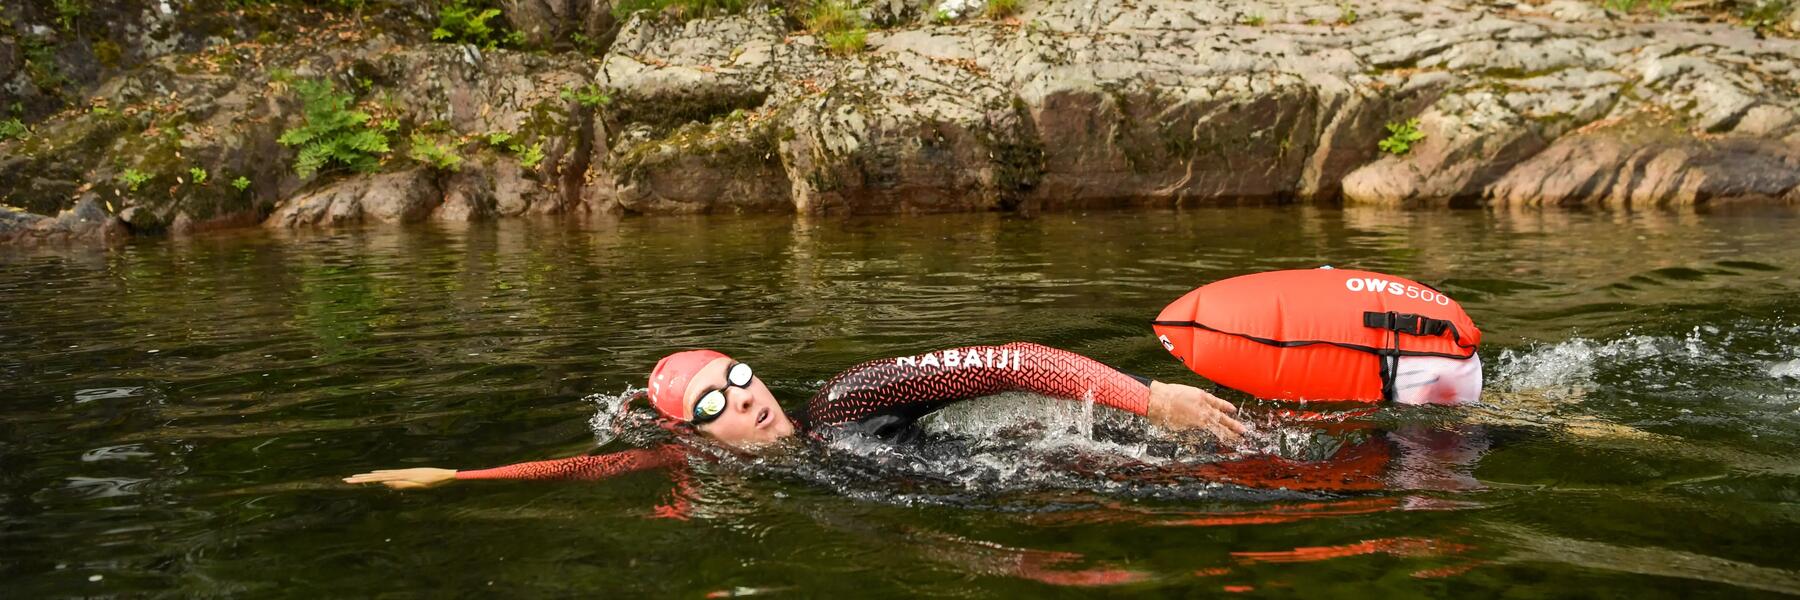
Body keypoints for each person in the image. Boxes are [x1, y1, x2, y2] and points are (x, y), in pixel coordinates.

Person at [344, 341, 1246, 489]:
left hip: (1089, 453)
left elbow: (1009, 360)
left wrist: (1149, 397)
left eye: (738, 374)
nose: (744, 396)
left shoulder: (849, 402)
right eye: (714, 403)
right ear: (689, 434)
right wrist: (457, 478)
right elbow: (591, 467)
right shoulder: (706, 469)